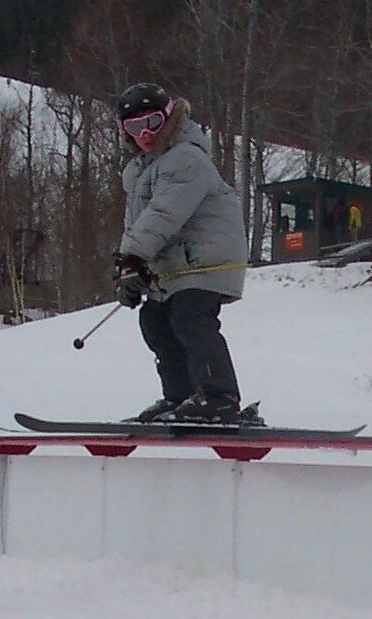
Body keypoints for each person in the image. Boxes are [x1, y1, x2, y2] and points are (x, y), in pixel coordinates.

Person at [114, 82, 248, 423]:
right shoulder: (142, 170)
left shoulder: (186, 158)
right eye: (134, 126)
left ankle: (219, 396)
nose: (144, 133)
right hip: (176, 268)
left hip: (206, 260)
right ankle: (181, 397)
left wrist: (132, 255)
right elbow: (139, 224)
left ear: (170, 119)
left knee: (190, 318)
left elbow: (165, 213)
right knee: (155, 320)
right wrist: (131, 270)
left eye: (153, 123)